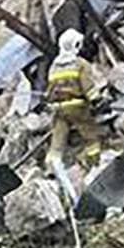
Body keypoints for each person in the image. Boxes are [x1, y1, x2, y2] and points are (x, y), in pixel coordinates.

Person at [46, 28, 103, 179]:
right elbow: (87, 86)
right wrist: (97, 99)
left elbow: (50, 89)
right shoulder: (80, 64)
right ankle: (95, 163)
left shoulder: (54, 66)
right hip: (76, 106)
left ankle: (51, 168)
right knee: (90, 135)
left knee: (57, 140)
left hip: (58, 107)